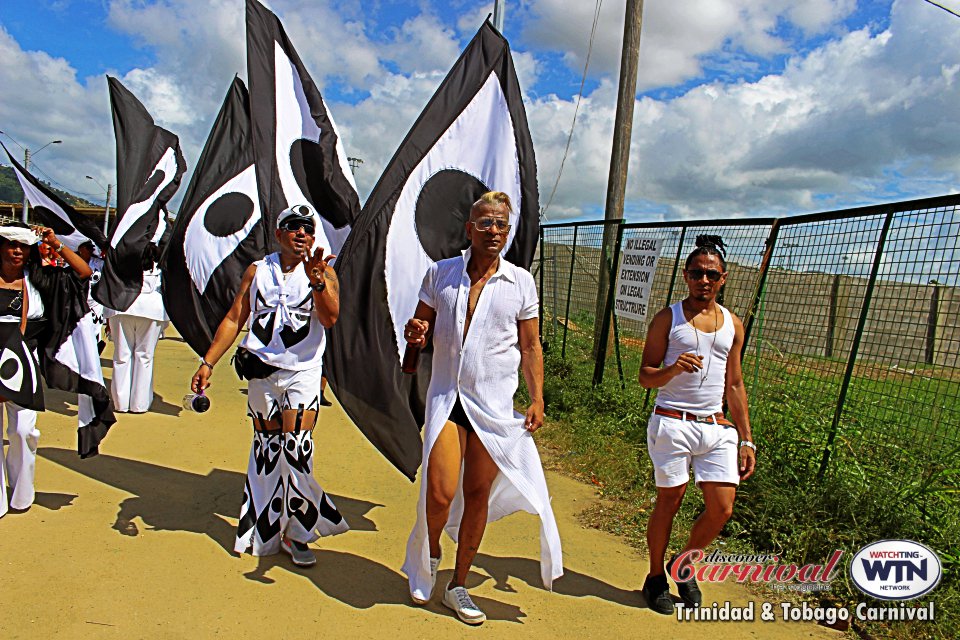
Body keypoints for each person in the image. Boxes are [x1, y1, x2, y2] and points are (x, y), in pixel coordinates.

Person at [401, 191, 562, 625]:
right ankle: (430, 552)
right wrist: (415, 334)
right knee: (439, 492)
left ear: (508, 233)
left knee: (477, 496)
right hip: (446, 399)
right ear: (469, 229)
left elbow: (530, 346)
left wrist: (537, 397)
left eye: (501, 225)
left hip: (492, 407)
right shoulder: (441, 274)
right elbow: (419, 330)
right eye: (486, 223)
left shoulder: (520, 283)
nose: (494, 231)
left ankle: (459, 584)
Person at [191, 204, 348, 566]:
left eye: (307, 228)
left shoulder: (323, 271)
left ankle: (300, 531)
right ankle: (263, 528)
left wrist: (317, 280)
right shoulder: (257, 271)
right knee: (266, 452)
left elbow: (330, 317)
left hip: (303, 372)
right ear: (278, 234)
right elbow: (235, 317)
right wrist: (207, 361)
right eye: (292, 227)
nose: (301, 233)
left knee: (296, 451)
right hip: (262, 373)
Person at [637, 235, 756, 614]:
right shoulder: (667, 319)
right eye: (696, 273)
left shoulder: (733, 324)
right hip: (672, 421)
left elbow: (734, 384)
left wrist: (747, 439)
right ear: (686, 277)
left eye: (711, 274)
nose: (703, 280)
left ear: (723, 278)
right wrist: (672, 369)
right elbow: (645, 376)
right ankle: (656, 576)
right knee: (669, 500)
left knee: (722, 508)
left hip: (716, 427)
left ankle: (683, 564)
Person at [0, 225, 93, 517]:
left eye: (23, 246)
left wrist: (55, 243)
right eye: (11, 244)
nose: (17, 251)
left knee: (23, 430)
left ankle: (21, 492)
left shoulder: (39, 280)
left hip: (24, 362)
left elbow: (83, 273)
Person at [105, 244, 169, 413]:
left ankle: (120, 403)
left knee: (121, 356)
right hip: (151, 310)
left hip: (121, 306)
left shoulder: (120, 265)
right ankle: (139, 404)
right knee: (145, 356)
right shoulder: (160, 269)